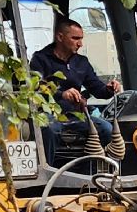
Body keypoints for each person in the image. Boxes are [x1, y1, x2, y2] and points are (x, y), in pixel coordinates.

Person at [30, 17, 122, 163]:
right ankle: (48, 171)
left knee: (106, 129)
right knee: (49, 129)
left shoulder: (82, 62)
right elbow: (34, 90)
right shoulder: (40, 60)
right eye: (75, 38)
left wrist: (110, 89)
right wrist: (62, 94)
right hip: (48, 114)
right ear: (60, 37)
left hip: (75, 116)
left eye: (81, 39)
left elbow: (98, 89)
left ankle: (100, 174)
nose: (80, 43)